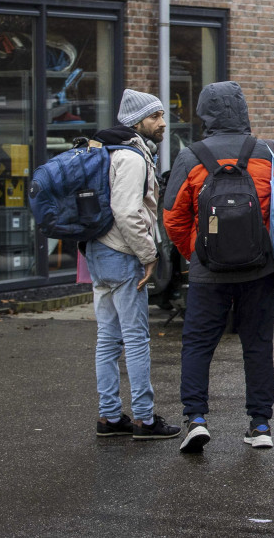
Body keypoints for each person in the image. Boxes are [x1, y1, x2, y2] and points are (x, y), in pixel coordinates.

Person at [164, 81, 274, 452]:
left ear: (204, 113)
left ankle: (195, 418)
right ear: (243, 110)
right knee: (257, 344)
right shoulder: (268, 152)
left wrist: (195, 254)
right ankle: (259, 424)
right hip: (258, 270)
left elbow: (172, 216)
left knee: (197, 344)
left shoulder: (190, 156)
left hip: (208, 273)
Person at [89, 90, 180, 441]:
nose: (162, 122)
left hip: (98, 251)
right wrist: (149, 255)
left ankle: (110, 417)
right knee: (137, 339)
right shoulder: (131, 157)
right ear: (136, 122)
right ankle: (144, 417)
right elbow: (127, 212)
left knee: (108, 339)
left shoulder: (106, 150)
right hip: (122, 255)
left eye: (161, 115)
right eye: (155, 116)